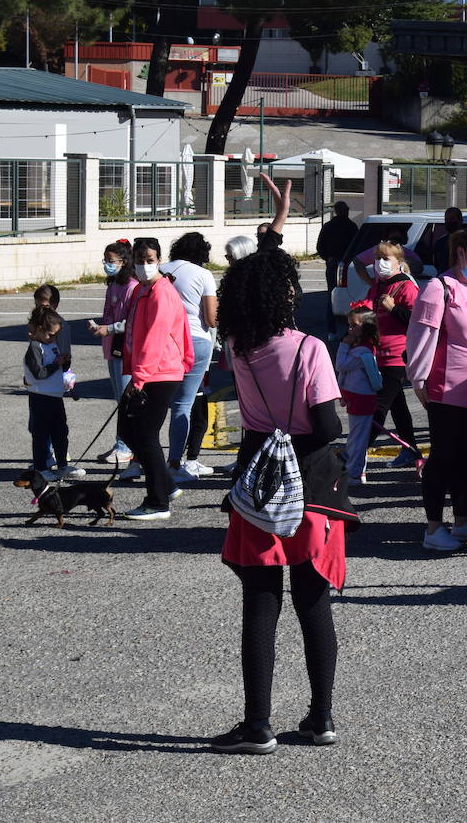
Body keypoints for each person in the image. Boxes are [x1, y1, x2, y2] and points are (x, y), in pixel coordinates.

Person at [213, 250, 346, 755]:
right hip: (310, 483)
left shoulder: (237, 346)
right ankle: (321, 716)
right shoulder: (309, 348)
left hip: (259, 480)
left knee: (260, 601)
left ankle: (257, 723)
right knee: (313, 601)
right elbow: (327, 426)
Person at [406, 226, 467, 553]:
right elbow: (421, 335)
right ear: (460, 252)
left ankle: (461, 522)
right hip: (448, 391)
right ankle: (434, 528)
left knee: (466, 460)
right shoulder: (439, 287)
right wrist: (418, 378)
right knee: (443, 459)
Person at [115, 236, 193, 520]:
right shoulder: (141, 290)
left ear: (159, 260)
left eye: (150, 260)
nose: (145, 265)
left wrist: (139, 378)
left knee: (146, 434)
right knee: (127, 429)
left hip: (160, 372)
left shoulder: (162, 292)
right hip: (147, 371)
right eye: (140, 260)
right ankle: (166, 484)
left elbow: (156, 338)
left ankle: (157, 502)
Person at [160, 232, 218, 483]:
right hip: (195, 340)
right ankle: (175, 462)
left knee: (156, 403)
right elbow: (211, 319)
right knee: (182, 405)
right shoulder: (203, 275)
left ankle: (143, 459)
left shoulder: (160, 271)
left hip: (162, 340)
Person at [365, 242, 419, 468]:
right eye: (377, 258)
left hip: (397, 356)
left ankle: (354, 453)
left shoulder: (406, 286)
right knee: (398, 406)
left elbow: (418, 320)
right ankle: (411, 450)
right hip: (377, 355)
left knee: (378, 407)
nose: (380, 263)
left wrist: (394, 309)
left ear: (399, 262)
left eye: (386, 259)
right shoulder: (378, 286)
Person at [23, 306, 82, 480]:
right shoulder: (35, 348)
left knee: (60, 432)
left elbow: (60, 368)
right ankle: (41, 468)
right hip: (40, 397)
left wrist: (65, 362)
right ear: (39, 330)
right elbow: (39, 373)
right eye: (50, 335)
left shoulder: (52, 344)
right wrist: (56, 364)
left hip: (55, 396)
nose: (54, 338)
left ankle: (62, 465)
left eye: (56, 335)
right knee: (41, 434)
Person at [96, 240, 138, 466]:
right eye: (105, 260)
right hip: (112, 348)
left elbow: (130, 321)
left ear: (123, 262)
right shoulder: (113, 285)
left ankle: (125, 447)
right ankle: (122, 444)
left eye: (110, 261)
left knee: (126, 400)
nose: (107, 264)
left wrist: (109, 328)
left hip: (125, 348)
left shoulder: (131, 286)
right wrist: (100, 327)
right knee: (119, 399)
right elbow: (108, 313)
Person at [335, 304, 383, 485]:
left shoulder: (361, 351)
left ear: (366, 327)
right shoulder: (361, 348)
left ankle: (354, 473)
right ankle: (358, 471)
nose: (350, 329)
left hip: (361, 399)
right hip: (357, 397)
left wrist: (344, 344)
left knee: (357, 439)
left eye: (354, 325)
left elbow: (341, 365)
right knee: (357, 438)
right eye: (349, 325)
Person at [316, 200, 358, 338]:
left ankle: (331, 330)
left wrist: (328, 258)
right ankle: (350, 328)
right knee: (351, 295)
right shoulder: (352, 227)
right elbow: (357, 246)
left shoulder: (328, 226)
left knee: (331, 295)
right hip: (347, 264)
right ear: (346, 211)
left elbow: (320, 247)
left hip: (333, 263)